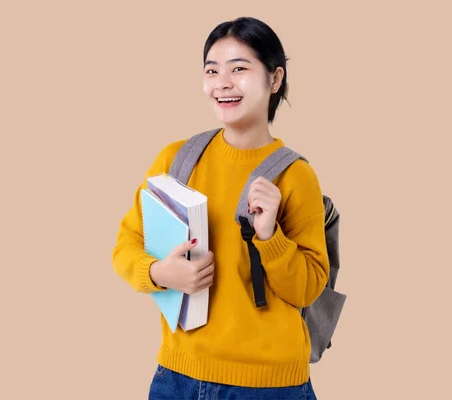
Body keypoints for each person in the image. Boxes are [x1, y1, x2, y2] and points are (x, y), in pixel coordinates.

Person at [111, 16, 328, 399]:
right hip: (176, 377)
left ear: (275, 80)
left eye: (239, 69)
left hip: (269, 386)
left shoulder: (295, 176)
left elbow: (308, 289)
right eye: (212, 71)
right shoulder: (176, 159)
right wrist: (161, 272)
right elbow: (126, 244)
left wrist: (270, 237)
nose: (222, 83)